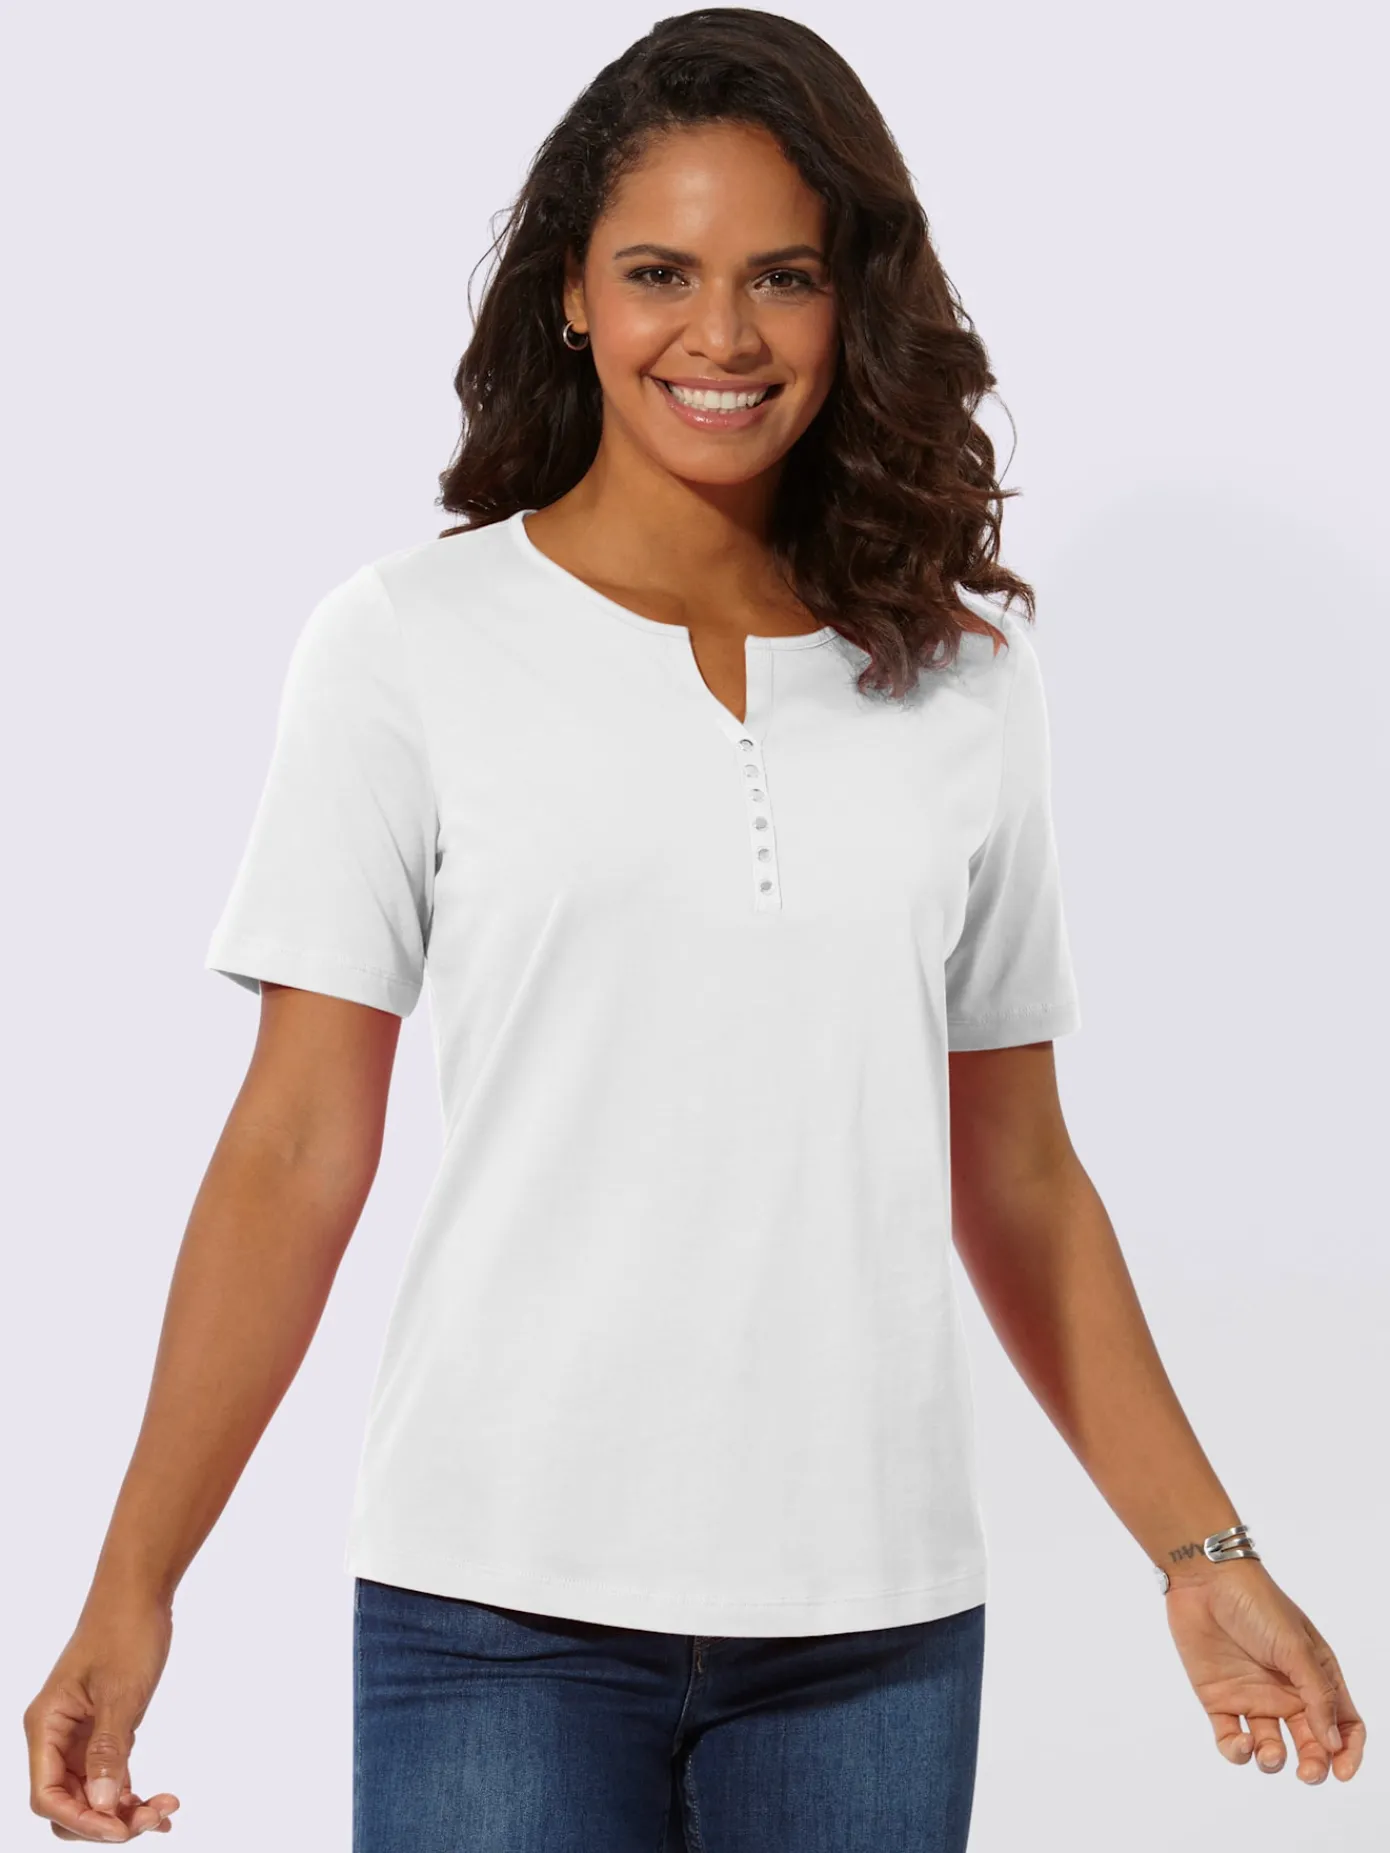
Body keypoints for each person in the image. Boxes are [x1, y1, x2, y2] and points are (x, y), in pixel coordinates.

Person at [23, 9, 1365, 1849]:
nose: (720, 336)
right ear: (573, 295)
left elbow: (1020, 1174)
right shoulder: (408, 647)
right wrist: (137, 1580)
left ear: (850, 302)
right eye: (660, 271)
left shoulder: (962, 684)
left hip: (875, 1630)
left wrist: (1202, 1556)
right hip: (493, 1607)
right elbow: (295, 1147)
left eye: (781, 277)